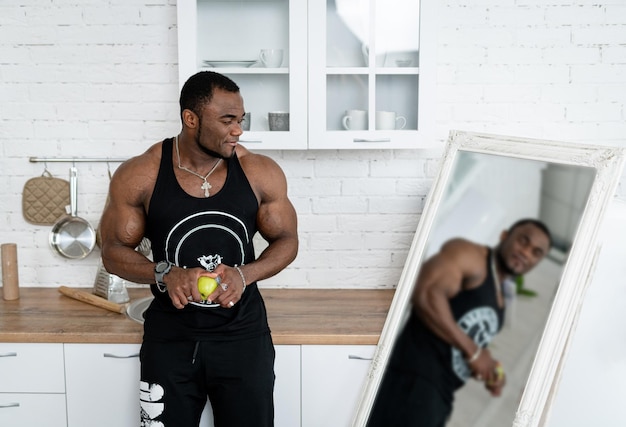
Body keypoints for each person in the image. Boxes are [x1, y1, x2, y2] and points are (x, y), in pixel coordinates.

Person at [99, 71, 298, 427]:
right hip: (170, 341)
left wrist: (243, 274)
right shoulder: (140, 174)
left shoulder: (259, 172)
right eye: (227, 120)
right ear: (190, 119)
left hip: (243, 337)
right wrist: (164, 272)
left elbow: (287, 240)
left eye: (240, 120)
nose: (238, 130)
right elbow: (113, 250)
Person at [367, 219, 552, 427]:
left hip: (439, 401)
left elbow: (460, 340)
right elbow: (426, 292)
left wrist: (487, 367)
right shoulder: (470, 256)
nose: (526, 252)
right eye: (523, 241)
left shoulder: (500, 302)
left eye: (536, 252)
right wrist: (474, 352)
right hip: (411, 381)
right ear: (504, 235)